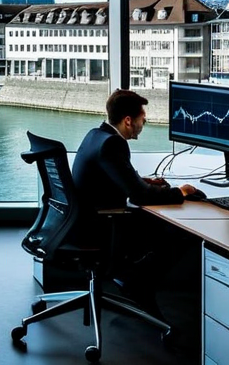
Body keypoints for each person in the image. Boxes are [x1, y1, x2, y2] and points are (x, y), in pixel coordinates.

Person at [71, 88, 202, 316]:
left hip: (81, 220)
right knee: (179, 232)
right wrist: (180, 192)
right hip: (100, 226)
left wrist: (143, 180)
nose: (145, 122)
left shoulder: (96, 135)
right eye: (143, 118)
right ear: (128, 121)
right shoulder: (114, 144)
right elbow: (139, 196)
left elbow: (114, 178)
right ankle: (137, 282)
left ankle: (132, 278)